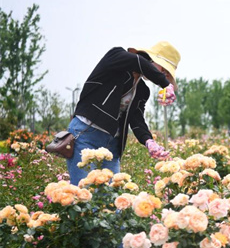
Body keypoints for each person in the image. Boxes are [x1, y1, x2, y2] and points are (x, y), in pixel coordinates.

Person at [66, 41, 180, 186]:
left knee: (114, 199)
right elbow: (138, 61)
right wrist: (165, 83)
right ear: (152, 59)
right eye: (163, 69)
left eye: (166, 74)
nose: (162, 74)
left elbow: (136, 119)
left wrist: (149, 141)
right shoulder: (117, 57)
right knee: (82, 192)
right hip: (86, 133)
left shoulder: (142, 89)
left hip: (112, 143)